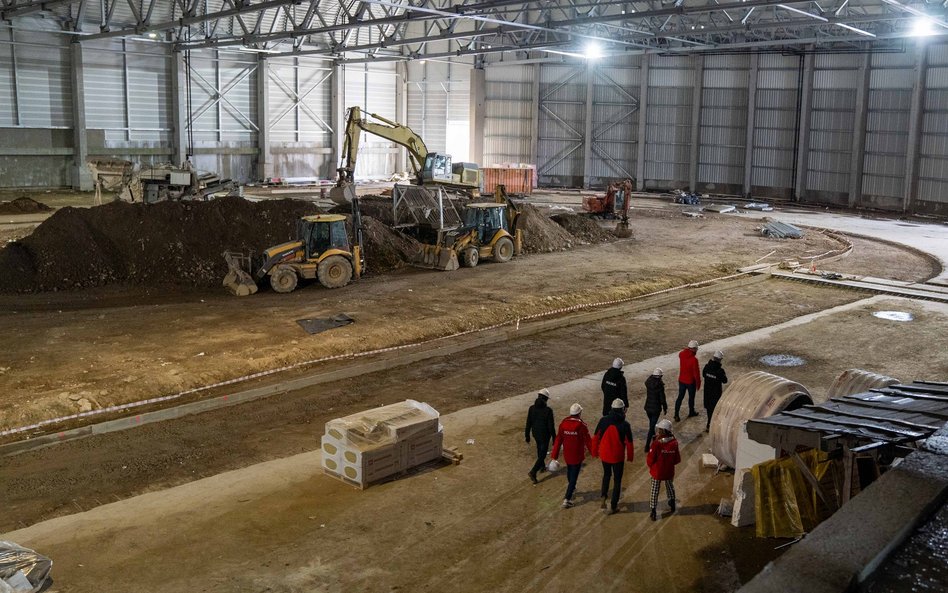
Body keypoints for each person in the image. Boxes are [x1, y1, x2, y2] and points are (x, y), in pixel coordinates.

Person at [592, 398, 635, 515]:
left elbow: (596, 437)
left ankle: (603, 496)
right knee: (617, 480)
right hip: (617, 457)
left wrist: (594, 452)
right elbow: (629, 443)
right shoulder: (625, 425)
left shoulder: (603, 420)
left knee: (606, 475)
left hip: (605, 455)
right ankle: (614, 505)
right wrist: (630, 457)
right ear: (623, 410)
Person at [551, 403, 592, 509]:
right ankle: (567, 499)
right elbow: (588, 440)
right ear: (579, 413)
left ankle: (572, 488)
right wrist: (594, 452)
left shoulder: (563, 424)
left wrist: (554, 456)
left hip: (567, 454)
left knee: (570, 471)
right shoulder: (582, 425)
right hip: (577, 455)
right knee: (574, 477)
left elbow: (558, 440)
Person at [646, 418, 681, 521]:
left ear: (663, 431)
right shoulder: (674, 443)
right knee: (670, 486)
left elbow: (650, 458)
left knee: (654, 490)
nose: (658, 431)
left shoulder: (656, 443)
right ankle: (672, 502)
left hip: (657, 471)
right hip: (669, 471)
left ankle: (653, 511)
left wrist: (651, 466)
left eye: (660, 429)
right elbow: (677, 459)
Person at [525, 388, 556, 484]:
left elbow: (528, 423)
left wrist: (527, 435)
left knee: (539, 449)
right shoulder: (548, 410)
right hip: (545, 436)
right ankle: (533, 471)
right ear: (546, 399)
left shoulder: (531, 408)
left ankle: (542, 467)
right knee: (542, 454)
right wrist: (555, 438)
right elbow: (551, 426)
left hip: (535, 434)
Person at [675, 340, 702, 422]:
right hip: (690, 382)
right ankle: (691, 412)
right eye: (696, 349)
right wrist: (698, 384)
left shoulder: (681, 354)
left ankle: (676, 414)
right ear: (693, 349)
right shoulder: (694, 360)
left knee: (680, 397)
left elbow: (683, 352)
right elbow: (696, 374)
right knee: (691, 398)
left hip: (681, 380)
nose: (697, 350)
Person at [702, 350, 729, 433]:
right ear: (720, 360)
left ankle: (708, 424)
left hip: (707, 393)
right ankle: (712, 425)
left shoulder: (706, 367)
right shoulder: (720, 371)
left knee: (709, 410)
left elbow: (703, 375)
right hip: (716, 394)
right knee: (715, 410)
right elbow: (725, 381)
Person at [643, 368, 667, 452]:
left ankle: (653, 441)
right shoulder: (659, 385)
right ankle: (647, 446)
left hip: (648, 408)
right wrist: (665, 407)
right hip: (656, 409)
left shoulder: (648, 382)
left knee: (652, 425)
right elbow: (662, 399)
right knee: (652, 427)